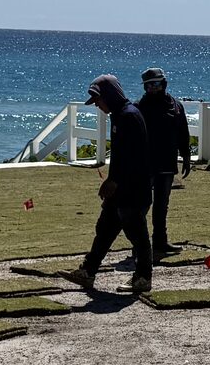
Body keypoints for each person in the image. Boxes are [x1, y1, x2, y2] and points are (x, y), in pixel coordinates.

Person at [66, 75, 154, 294]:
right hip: (122, 188)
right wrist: (112, 181)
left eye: (98, 100)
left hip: (133, 189)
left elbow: (132, 158)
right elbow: (120, 156)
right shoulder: (120, 115)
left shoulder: (129, 116)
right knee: (105, 229)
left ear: (109, 96)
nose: (97, 105)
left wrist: (114, 181)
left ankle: (143, 278)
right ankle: (88, 271)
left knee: (137, 235)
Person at [136, 67, 192, 257]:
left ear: (164, 84)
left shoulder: (176, 106)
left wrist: (186, 156)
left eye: (156, 84)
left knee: (162, 206)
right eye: (149, 85)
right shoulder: (139, 107)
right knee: (141, 206)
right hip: (145, 164)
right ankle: (140, 245)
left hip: (167, 163)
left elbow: (183, 133)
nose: (152, 88)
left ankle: (160, 243)